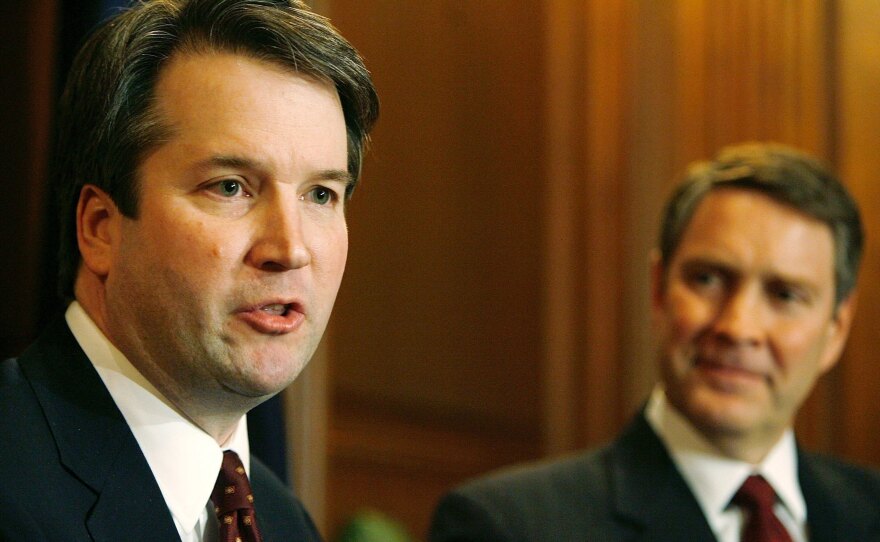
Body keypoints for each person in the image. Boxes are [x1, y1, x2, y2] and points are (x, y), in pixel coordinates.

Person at [0, 0, 378, 540]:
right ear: (101, 228)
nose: (290, 248)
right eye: (230, 187)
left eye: (321, 194)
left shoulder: (283, 520)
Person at [429, 143, 880, 542]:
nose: (738, 326)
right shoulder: (507, 526)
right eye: (707, 279)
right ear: (659, 290)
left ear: (836, 329)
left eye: (784, 295)